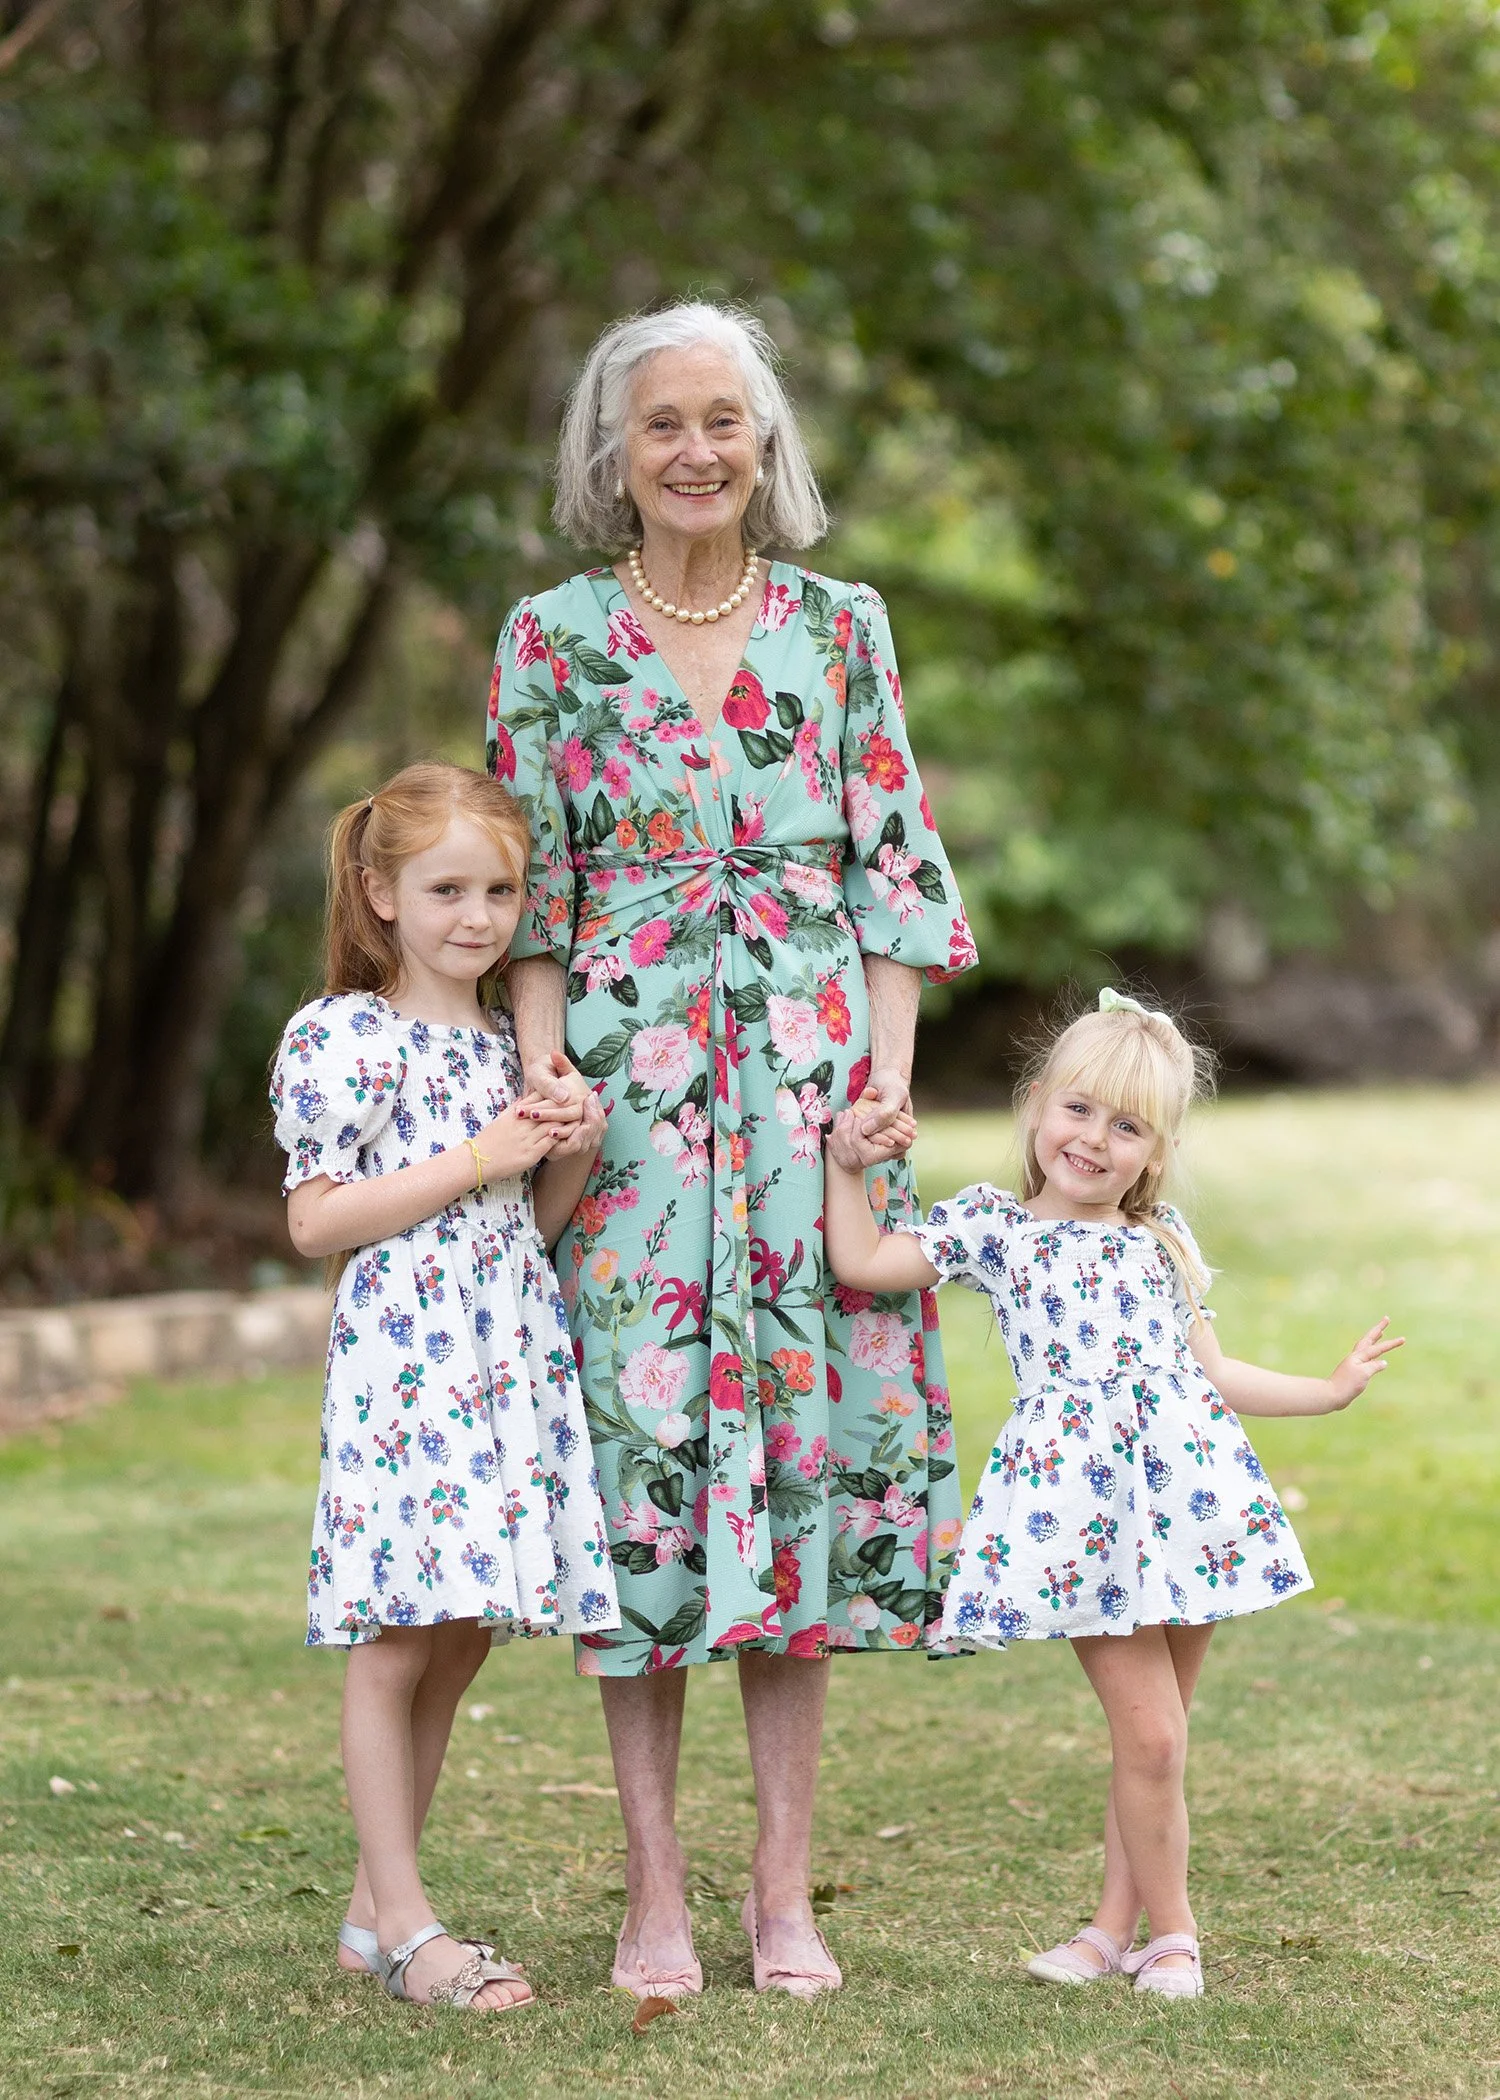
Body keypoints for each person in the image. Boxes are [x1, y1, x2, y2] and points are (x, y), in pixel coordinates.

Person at [486, 300, 977, 1998]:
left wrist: (886, 1085)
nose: (697, 450)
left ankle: (783, 1897)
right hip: (621, 1114)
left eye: (726, 420)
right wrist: (545, 1064)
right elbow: (532, 886)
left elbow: (897, 877)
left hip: (808, 1099)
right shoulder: (549, 640)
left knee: (793, 1485)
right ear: (610, 458)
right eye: (664, 424)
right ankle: (653, 1897)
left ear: (768, 447)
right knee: (644, 1493)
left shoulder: (844, 632)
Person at [822, 988, 1404, 2001]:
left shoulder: (1161, 1238)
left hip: (1187, 1498)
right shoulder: (997, 1228)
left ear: (1156, 1153)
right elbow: (864, 1261)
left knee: (1160, 1740)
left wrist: (1329, 1391)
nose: (1095, 1140)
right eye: (1080, 1110)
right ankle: (1175, 1935)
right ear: (1039, 1104)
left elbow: (1212, 1374)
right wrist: (844, 1172)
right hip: (1083, 1510)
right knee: (1152, 1735)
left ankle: (1109, 1932)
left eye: (1127, 1126)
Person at [269, 762, 617, 2012]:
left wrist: (562, 1148)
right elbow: (317, 1222)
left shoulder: (503, 1046)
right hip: (409, 1362)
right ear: (380, 894)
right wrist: (480, 1152)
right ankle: (412, 1926)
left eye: (500, 891)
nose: (477, 916)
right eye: (447, 889)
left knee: (464, 1628)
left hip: (504, 1351)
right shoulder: (344, 1035)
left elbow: (528, 1220)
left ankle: (377, 1909)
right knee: (397, 1635)